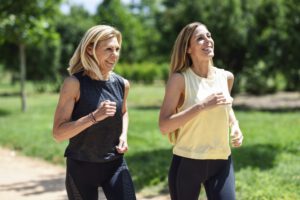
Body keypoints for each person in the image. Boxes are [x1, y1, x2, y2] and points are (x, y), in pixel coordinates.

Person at [159, 22, 244, 200]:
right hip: (187, 163)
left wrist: (235, 125)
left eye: (209, 36)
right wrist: (201, 106)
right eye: (200, 38)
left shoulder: (226, 77)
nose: (208, 41)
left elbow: (226, 107)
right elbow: (165, 126)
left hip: (221, 160)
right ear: (188, 49)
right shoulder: (179, 80)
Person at [52, 25, 136, 200]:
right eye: (108, 49)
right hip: (81, 167)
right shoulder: (74, 84)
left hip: (115, 163)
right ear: (90, 49)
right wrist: (94, 117)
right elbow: (58, 133)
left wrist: (123, 135)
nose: (115, 55)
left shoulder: (122, 84)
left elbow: (123, 112)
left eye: (117, 49)